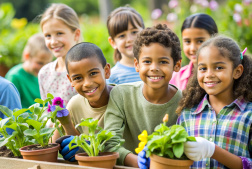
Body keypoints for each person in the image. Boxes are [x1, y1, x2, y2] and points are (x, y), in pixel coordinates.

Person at [103, 24, 182, 167]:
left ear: (177, 65)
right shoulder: (121, 95)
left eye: (163, 62)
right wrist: (139, 163)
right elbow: (109, 143)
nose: (154, 68)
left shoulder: (184, 102)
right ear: (137, 64)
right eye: (147, 61)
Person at [176, 36, 252, 169]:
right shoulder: (187, 114)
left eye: (218, 68)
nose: (209, 74)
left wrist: (213, 151)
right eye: (203, 68)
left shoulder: (248, 115)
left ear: (237, 71)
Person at [54, 42, 113, 162]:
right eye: (78, 78)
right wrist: (66, 124)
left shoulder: (121, 98)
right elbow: (52, 146)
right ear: (70, 80)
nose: (87, 83)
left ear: (106, 71)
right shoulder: (75, 104)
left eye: (93, 73)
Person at [38, 3, 81, 106]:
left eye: (59, 33)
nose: (53, 42)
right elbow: (47, 111)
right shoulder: (44, 73)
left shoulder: (87, 68)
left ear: (76, 34)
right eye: (48, 36)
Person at [170, 13, 218, 90]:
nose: (192, 48)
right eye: (187, 41)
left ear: (214, 39)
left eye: (200, 41)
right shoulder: (176, 78)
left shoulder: (221, 75)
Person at [5, 33, 53, 109]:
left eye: (47, 63)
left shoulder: (46, 75)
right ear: (27, 56)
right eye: (39, 63)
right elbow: (10, 107)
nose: (43, 68)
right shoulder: (15, 77)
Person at [107, 6, 145, 85]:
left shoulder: (153, 69)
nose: (129, 39)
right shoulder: (112, 77)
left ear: (145, 33)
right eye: (121, 36)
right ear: (113, 42)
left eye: (134, 32)